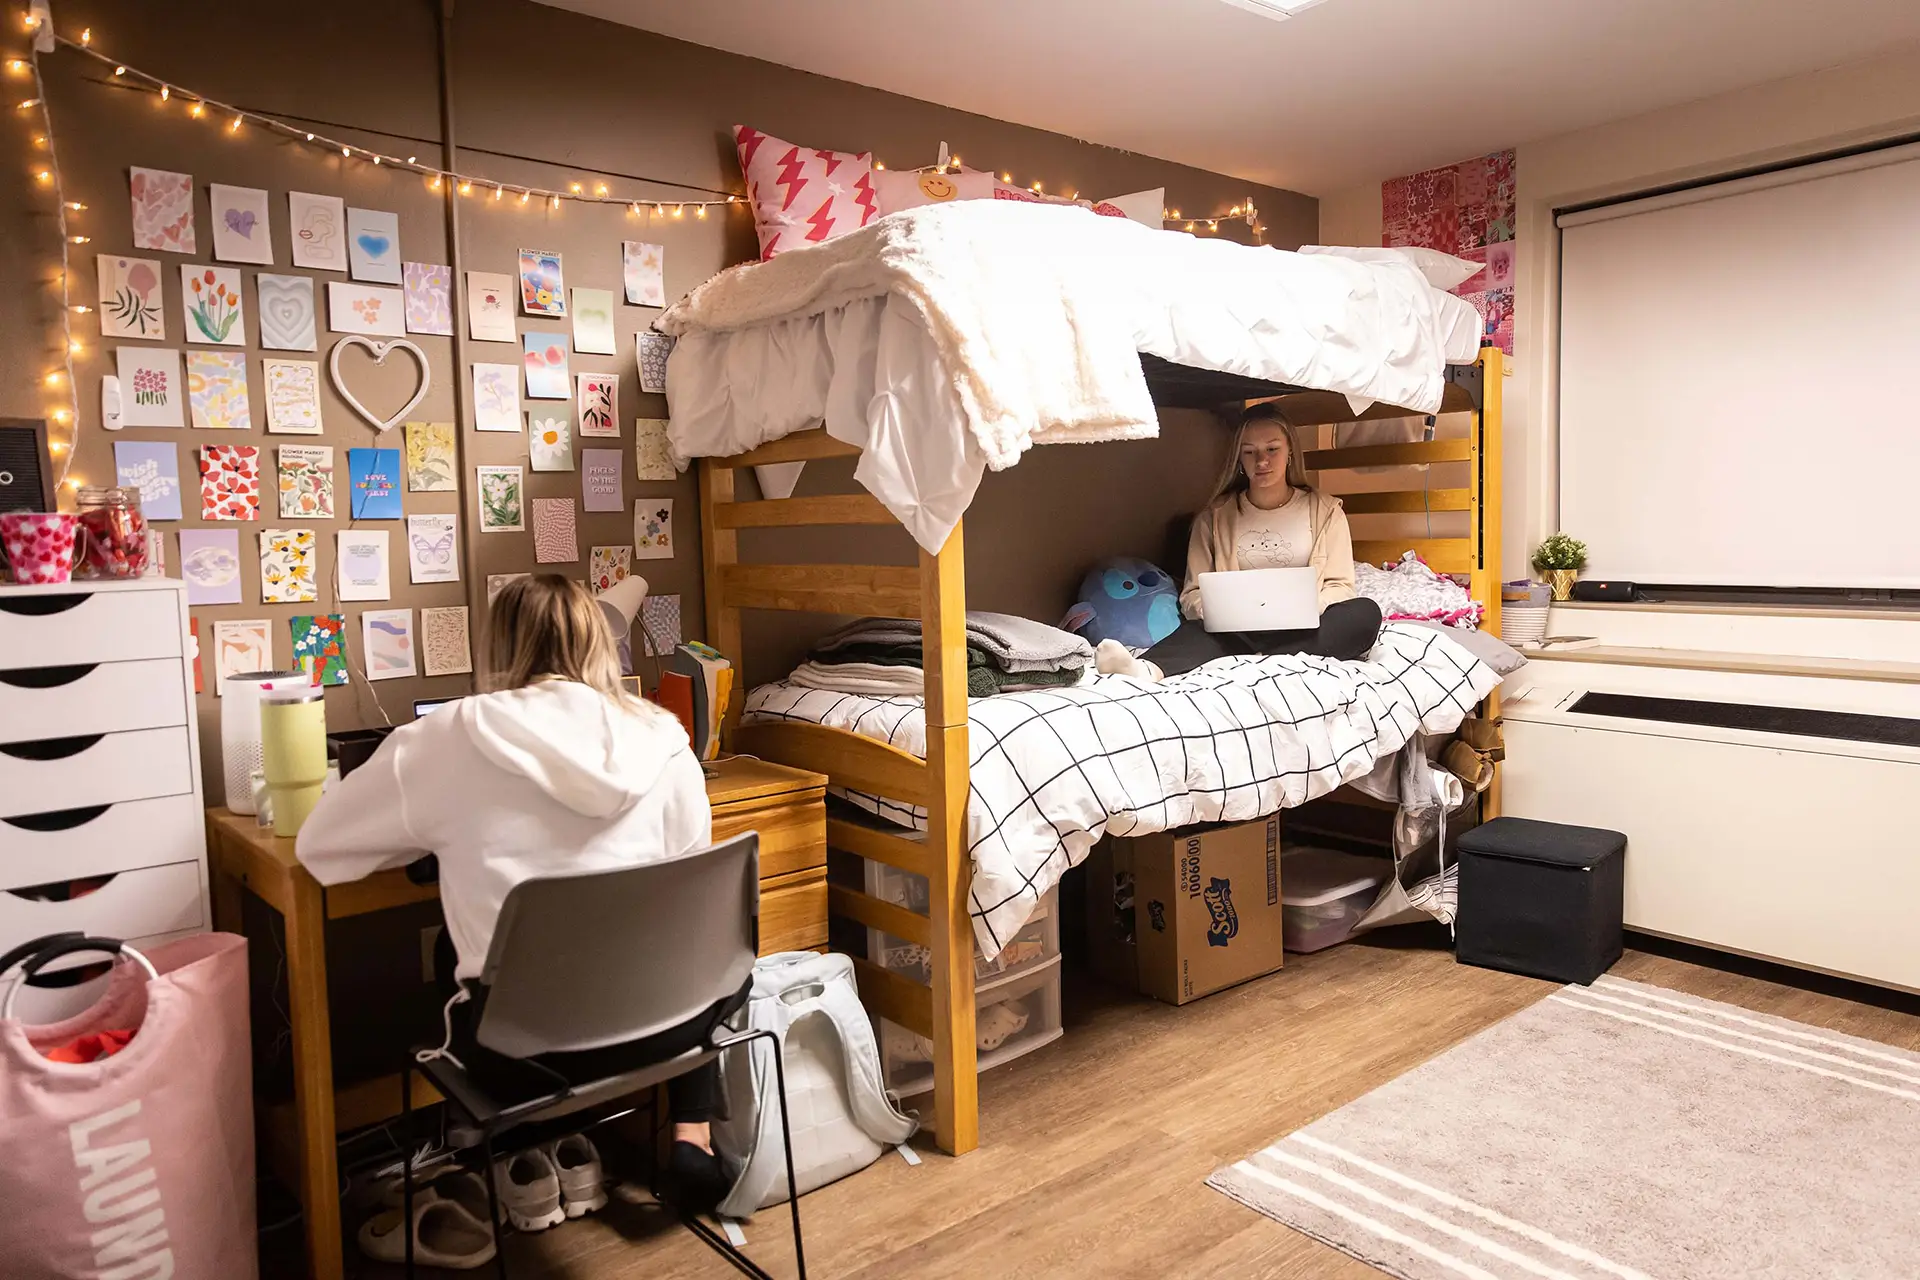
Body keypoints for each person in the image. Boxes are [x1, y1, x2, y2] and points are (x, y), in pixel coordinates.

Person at [296, 574, 732, 1211]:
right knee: (669, 950)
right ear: (600, 644)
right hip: (672, 1034)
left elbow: (320, 849)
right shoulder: (666, 737)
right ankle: (692, 1132)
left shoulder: (449, 735)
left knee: (457, 943)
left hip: (524, 1055)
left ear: (498, 647)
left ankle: (481, 1144)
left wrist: (437, 841)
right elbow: (690, 880)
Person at [1098, 402, 1382, 679]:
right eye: (1250, 452)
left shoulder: (1325, 511)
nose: (1262, 461)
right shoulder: (1214, 518)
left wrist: (1307, 608)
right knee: (1198, 630)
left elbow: (1341, 586)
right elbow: (1192, 593)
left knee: (1365, 614)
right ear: (1239, 459)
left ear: (1290, 451)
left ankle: (1268, 657)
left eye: (1272, 449)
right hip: (1236, 631)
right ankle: (1145, 669)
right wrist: (1212, 610)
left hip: (1306, 627)